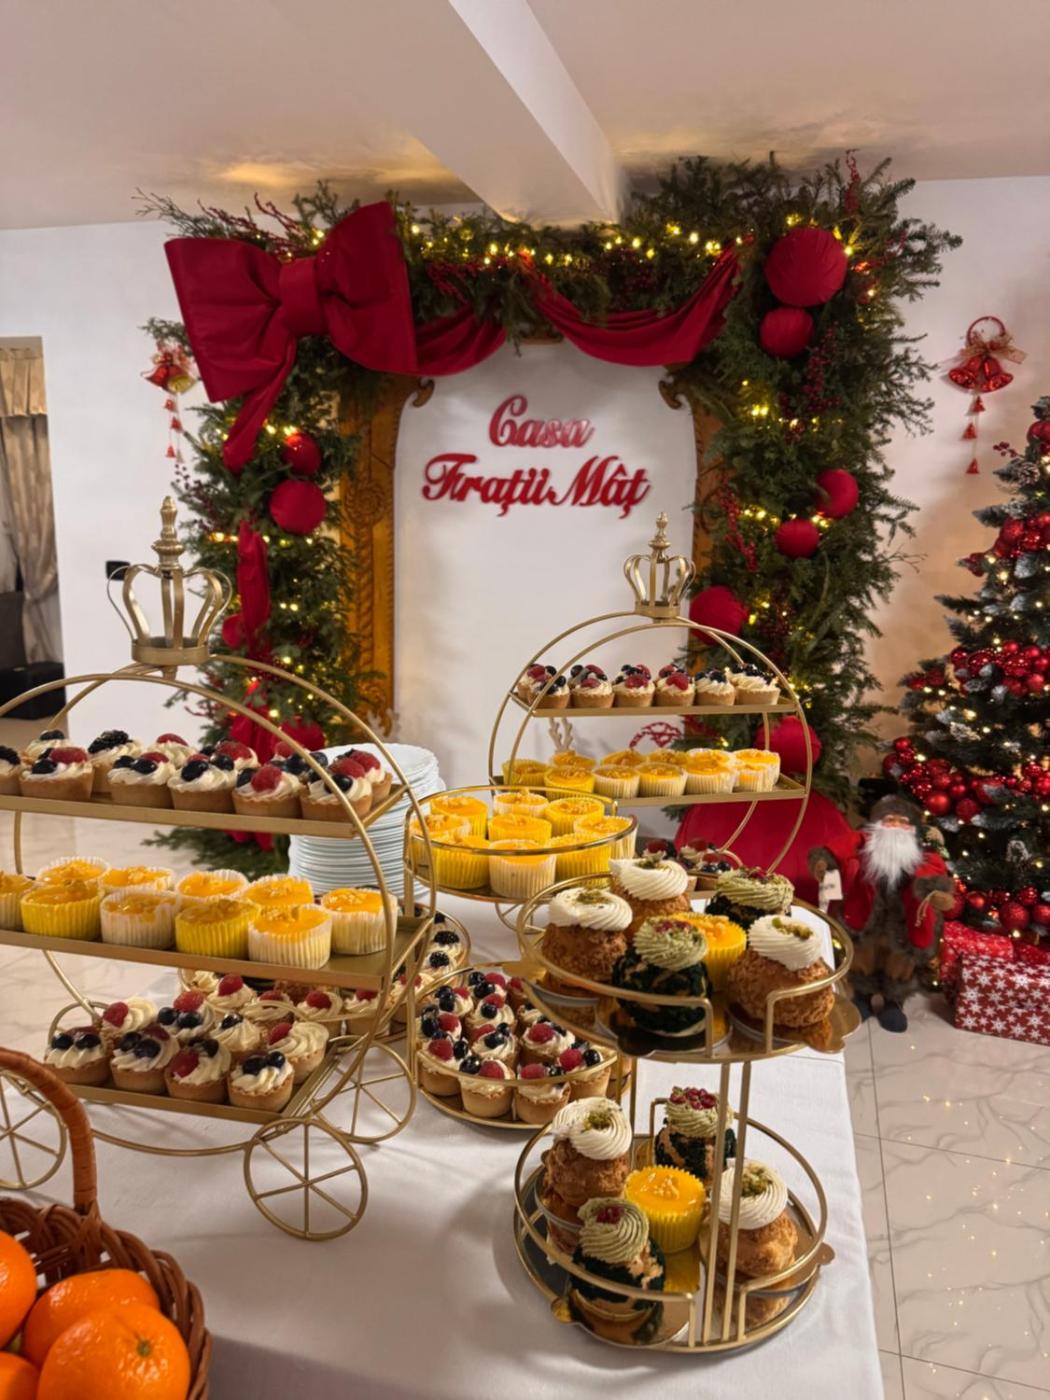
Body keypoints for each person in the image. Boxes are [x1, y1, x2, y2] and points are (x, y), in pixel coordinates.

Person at [808, 795, 954, 1032]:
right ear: (877, 824)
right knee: (863, 954)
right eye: (890, 820)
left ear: (912, 829)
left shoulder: (923, 856)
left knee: (899, 960)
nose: (895, 825)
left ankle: (892, 1003)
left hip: (904, 921)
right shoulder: (864, 843)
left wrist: (938, 893)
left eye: (903, 822)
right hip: (865, 914)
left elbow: (936, 875)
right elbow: (838, 849)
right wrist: (825, 862)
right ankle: (862, 997)